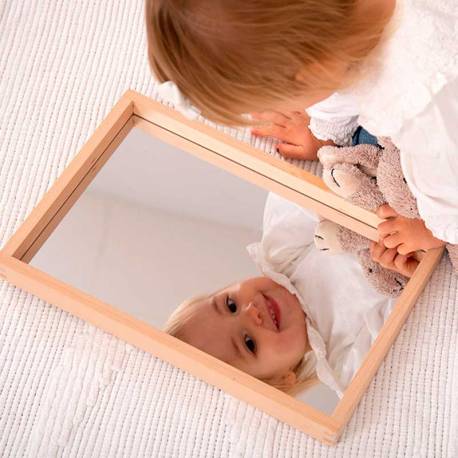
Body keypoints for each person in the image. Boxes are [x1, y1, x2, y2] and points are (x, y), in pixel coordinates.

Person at [146, 0, 458, 264]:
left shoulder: (421, 105)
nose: (259, 116)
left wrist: (432, 229)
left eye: (268, 104)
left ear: (314, 72)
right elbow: (339, 73)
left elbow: (449, 185)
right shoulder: (350, 25)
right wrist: (324, 132)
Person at [165, 193, 399, 397]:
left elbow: (306, 189)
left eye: (231, 304)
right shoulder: (346, 365)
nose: (250, 311)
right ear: (281, 380)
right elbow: (405, 316)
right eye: (249, 343)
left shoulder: (281, 252)